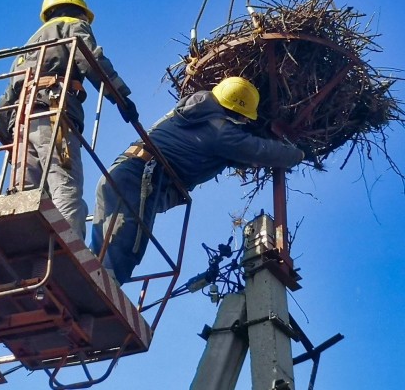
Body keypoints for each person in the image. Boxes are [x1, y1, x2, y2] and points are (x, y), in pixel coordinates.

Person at [91, 76, 305, 284]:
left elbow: (222, 154)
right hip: (138, 182)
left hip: (118, 173)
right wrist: (298, 154)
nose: (247, 121)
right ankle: (99, 294)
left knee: (101, 249)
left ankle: (89, 283)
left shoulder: (190, 112)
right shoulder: (222, 133)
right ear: (237, 111)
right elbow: (262, 151)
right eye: (245, 117)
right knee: (128, 246)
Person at [0, 0, 138, 240]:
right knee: (65, 184)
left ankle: (23, 247)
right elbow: (91, 59)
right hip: (54, 115)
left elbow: (6, 96)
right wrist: (121, 97)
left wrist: (6, 138)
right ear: (80, 12)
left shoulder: (30, 44)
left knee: (25, 193)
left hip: (20, 123)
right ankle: (69, 247)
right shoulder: (73, 25)